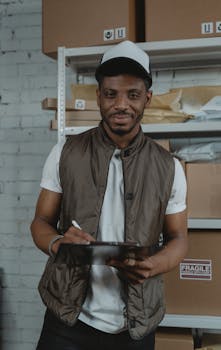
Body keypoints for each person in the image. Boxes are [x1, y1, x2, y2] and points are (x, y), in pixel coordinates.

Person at [31, 40, 188, 350]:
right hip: (67, 320)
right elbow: (40, 221)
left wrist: (153, 266)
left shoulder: (169, 167)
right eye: (111, 94)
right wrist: (58, 243)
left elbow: (179, 238)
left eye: (133, 95)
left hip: (135, 324)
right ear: (98, 96)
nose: (121, 105)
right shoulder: (65, 152)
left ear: (148, 98)